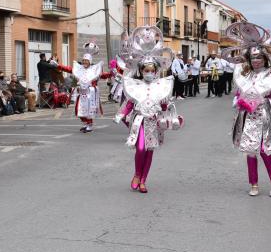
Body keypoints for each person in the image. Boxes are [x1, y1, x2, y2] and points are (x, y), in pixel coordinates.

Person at [223, 22, 271, 197]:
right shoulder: (245, 75)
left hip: (266, 116)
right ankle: (253, 184)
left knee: (264, 150)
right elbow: (239, 93)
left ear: (265, 58)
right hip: (249, 117)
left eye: (259, 57)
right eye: (253, 58)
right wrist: (238, 100)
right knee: (250, 152)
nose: (256, 61)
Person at [114, 25, 183, 194]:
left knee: (150, 151)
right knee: (140, 148)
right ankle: (137, 175)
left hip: (154, 122)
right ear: (141, 71)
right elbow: (130, 102)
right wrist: (121, 114)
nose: (149, 73)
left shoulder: (162, 85)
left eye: (152, 71)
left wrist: (167, 105)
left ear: (156, 71)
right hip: (139, 121)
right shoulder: (135, 85)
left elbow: (165, 106)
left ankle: (144, 180)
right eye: (146, 70)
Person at [57, 42, 112, 133]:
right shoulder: (80, 69)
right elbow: (69, 69)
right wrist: (58, 65)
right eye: (83, 61)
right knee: (78, 109)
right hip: (81, 93)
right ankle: (85, 124)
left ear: (90, 62)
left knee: (89, 110)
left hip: (90, 94)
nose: (84, 62)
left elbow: (103, 75)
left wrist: (112, 73)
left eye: (86, 61)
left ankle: (89, 125)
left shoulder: (95, 69)